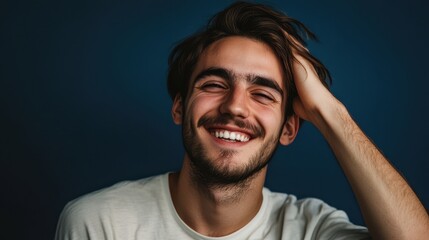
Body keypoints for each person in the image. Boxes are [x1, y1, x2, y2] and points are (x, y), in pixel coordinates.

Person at [55, 2, 429, 239]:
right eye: (215, 84)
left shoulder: (311, 230)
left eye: (263, 94)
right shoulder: (99, 223)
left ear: (289, 128)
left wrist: (329, 112)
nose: (236, 107)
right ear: (179, 108)